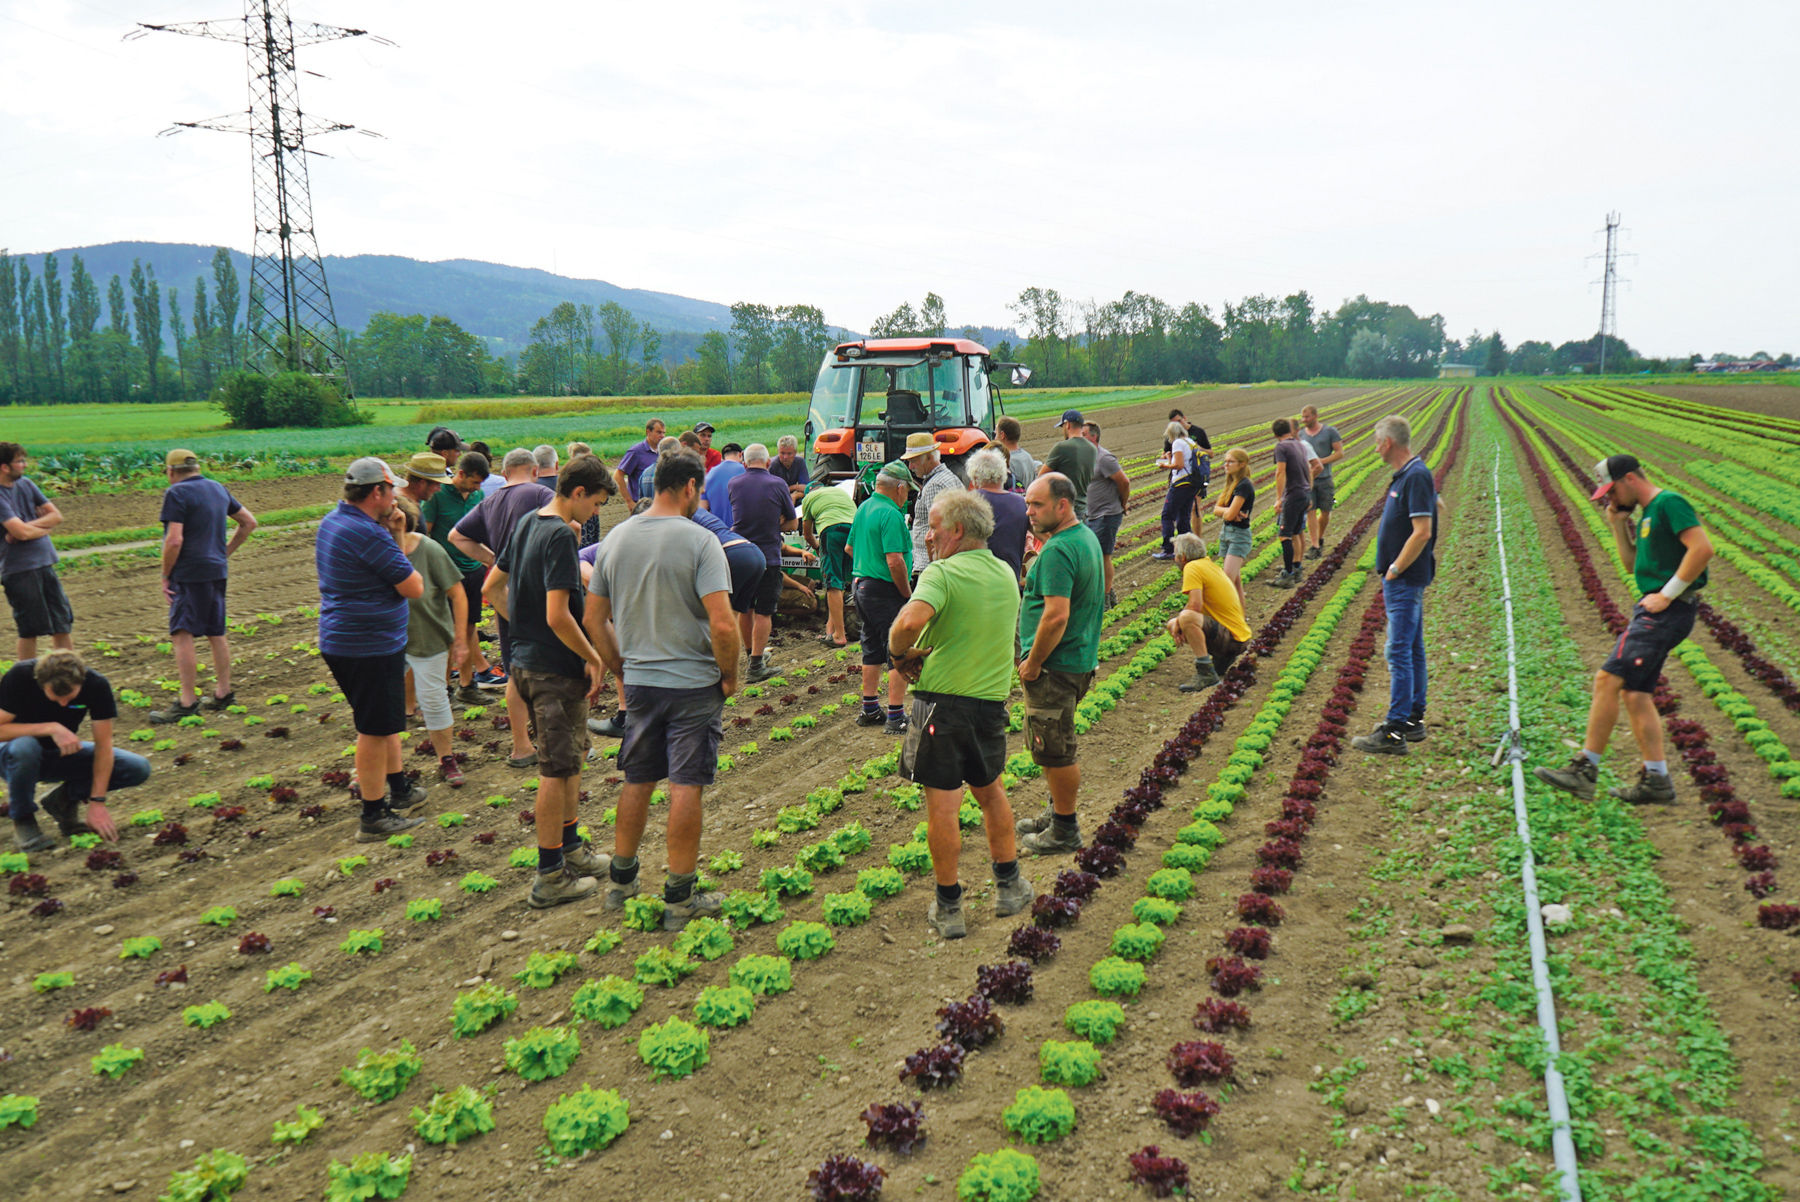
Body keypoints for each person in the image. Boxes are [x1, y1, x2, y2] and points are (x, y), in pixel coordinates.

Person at [585, 452, 740, 930]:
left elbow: (593, 619)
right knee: (685, 784)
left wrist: (619, 666)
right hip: (693, 685)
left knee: (637, 779)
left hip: (643, 684)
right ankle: (679, 896)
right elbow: (723, 624)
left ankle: (622, 882)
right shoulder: (701, 541)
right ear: (690, 486)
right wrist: (730, 676)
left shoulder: (615, 539)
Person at [889, 490, 1032, 939]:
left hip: (941, 707)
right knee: (991, 793)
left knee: (944, 807)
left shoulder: (942, 573)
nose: (928, 537)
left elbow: (909, 622)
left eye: (933, 528)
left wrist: (898, 655)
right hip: (990, 704)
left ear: (956, 531)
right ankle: (1009, 886)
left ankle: (949, 908)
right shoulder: (1006, 573)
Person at [1534, 455, 1716, 803]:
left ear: (1630, 479)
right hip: (1656, 608)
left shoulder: (1668, 503)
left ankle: (1584, 770)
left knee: (1607, 677)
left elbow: (1703, 548)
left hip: (1666, 611)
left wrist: (1666, 595)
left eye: (1612, 491)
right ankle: (1657, 782)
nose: (1610, 499)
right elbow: (1632, 566)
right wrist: (1617, 524)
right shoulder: (1646, 514)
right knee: (1635, 693)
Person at [485, 455, 615, 907]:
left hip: (525, 663)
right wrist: (593, 656)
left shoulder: (526, 523)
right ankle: (549, 875)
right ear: (577, 493)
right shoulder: (559, 534)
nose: (595, 513)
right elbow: (559, 614)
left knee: (572, 761)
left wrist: (522, 632)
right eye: (596, 504)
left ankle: (572, 848)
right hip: (553, 673)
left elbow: (492, 587)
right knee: (556, 771)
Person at [316, 458, 427, 840]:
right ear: (376, 492)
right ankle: (373, 814)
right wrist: (391, 536)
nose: (396, 495)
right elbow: (412, 586)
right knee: (374, 729)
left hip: (352, 639)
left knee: (385, 720)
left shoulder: (335, 521)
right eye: (391, 489)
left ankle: (398, 788)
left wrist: (395, 531)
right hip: (365, 645)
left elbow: (393, 568)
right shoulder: (364, 533)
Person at [1013, 474, 1106, 856]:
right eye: (1028, 504)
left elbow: (1055, 616)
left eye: (1037, 505)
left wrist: (1033, 662)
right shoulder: (1084, 538)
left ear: (1062, 505)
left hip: (1055, 666)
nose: (1029, 512)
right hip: (1077, 658)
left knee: (1055, 748)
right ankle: (1057, 813)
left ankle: (1065, 829)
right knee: (1053, 741)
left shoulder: (1057, 552)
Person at [450, 449, 557, 765]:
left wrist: (492, 560)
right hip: (540, 592)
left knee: (515, 670)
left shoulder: (490, 502)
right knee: (551, 668)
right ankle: (552, 739)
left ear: (506, 473)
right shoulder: (541, 493)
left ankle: (521, 746)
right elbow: (569, 530)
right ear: (534, 470)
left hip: (503, 593)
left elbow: (456, 536)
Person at [148, 449, 257, 723]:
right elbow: (248, 522)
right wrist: (224, 551)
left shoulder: (176, 494)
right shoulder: (217, 488)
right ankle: (223, 693)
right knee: (215, 631)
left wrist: (165, 575)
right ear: (196, 468)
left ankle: (187, 701)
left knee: (182, 633)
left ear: (170, 472)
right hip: (216, 570)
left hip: (189, 572)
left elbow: (174, 540)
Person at [1, 651, 149, 851]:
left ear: (82, 681)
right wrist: (51, 727)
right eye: (56, 698)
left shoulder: (96, 685)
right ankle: (23, 819)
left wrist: (97, 802)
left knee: (136, 767)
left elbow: (104, 746)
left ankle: (63, 800)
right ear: (40, 682)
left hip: (58, 754)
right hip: (12, 755)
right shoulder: (21, 676)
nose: (63, 704)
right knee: (25, 746)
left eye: (70, 698)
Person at [1352, 416, 1439, 756]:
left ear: (1387, 443)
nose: (1375, 446)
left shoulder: (1415, 475)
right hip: (1405, 579)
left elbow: (1422, 531)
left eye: (1377, 441)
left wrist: (1394, 568)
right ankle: (1414, 720)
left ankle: (1394, 730)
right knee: (1412, 648)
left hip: (1404, 579)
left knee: (1398, 650)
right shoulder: (1412, 474)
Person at [390, 497, 468, 788]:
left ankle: (446, 759)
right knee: (381, 705)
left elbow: (457, 594)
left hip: (428, 636)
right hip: (387, 640)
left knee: (434, 700)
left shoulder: (429, 550)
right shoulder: (374, 550)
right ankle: (374, 770)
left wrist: (460, 640)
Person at [422, 450, 496, 699]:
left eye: (480, 483)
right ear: (461, 474)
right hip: (445, 575)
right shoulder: (438, 497)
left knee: (469, 628)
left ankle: (467, 687)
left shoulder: (478, 495)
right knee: (449, 634)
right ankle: (443, 691)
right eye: (474, 481)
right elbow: (425, 535)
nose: (477, 487)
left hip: (473, 571)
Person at [849, 463, 915, 734]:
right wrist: (906, 594)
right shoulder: (891, 513)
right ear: (899, 488)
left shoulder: (864, 508)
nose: (907, 495)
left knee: (871, 647)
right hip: (884, 590)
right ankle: (896, 716)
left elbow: (849, 546)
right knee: (897, 650)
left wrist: (865, 568)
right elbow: (895, 561)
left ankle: (870, 708)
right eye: (907, 490)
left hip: (860, 586)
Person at [728, 443, 798, 682]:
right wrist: (773, 524)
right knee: (764, 611)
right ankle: (757, 665)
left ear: (744, 463)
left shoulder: (734, 484)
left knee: (745, 607)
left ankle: (750, 656)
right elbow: (793, 523)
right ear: (768, 463)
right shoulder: (778, 484)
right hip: (768, 554)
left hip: (742, 554)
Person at [0, 442, 71, 660]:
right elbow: (20, 533)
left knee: (62, 623)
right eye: (20, 461)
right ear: (4, 467)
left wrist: (29, 527)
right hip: (19, 569)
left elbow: (56, 516)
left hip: (44, 562)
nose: (25, 465)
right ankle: (26, 679)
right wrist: (42, 526)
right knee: (30, 628)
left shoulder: (27, 485)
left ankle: (68, 672)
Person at [1167, 532, 1251, 692]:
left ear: (1183, 557)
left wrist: (1179, 623)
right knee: (1178, 620)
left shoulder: (1192, 567)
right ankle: (1221, 659)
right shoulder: (1209, 565)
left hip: (1231, 639)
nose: (1174, 559)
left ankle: (1205, 672)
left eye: (1176, 555)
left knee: (1186, 618)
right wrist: (1177, 623)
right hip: (1238, 638)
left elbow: (1195, 606)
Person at [800, 480, 857, 647]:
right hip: (854, 530)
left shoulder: (809, 499)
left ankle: (839, 635)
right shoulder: (840, 493)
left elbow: (808, 534)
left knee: (833, 584)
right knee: (843, 581)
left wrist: (818, 549)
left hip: (831, 530)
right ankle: (830, 631)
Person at [1082, 422, 1130, 608]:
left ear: (1093, 437)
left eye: (1084, 434)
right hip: (1091, 514)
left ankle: (1105, 598)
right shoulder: (1086, 457)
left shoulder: (1104, 458)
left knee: (1103, 556)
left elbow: (1124, 482)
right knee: (1094, 556)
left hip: (1107, 514)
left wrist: (1123, 504)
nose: (1079, 437)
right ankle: (1109, 593)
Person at [1268, 418, 1319, 589]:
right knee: (1297, 533)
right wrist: (1308, 491)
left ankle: (1287, 574)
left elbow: (1280, 472)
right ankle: (1297, 568)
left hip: (1293, 495)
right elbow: (1309, 469)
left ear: (1274, 434)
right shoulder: (1300, 444)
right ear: (1290, 430)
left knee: (1285, 535)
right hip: (1304, 493)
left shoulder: (1281, 447)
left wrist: (1279, 498)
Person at [901, 433, 960, 581]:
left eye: (913, 461)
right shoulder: (945, 478)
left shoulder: (936, 485)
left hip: (930, 565)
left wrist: (935, 565)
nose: (910, 467)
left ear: (929, 457)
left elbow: (941, 531)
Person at [968, 449, 1029, 584]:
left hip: (976, 580)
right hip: (1010, 579)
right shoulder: (1020, 503)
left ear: (975, 476)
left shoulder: (968, 502)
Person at [1210, 447, 1255, 612]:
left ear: (1242, 464)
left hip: (1239, 536)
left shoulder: (1244, 485)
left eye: (1230, 461)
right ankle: (1240, 621)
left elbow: (1228, 515)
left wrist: (1227, 513)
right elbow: (1217, 510)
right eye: (1225, 461)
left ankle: (1228, 619)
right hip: (1227, 533)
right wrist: (1227, 512)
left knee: (1227, 580)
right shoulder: (1231, 483)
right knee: (1235, 583)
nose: (1226, 464)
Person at [1298, 405, 1346, 559]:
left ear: (1315, 416)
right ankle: (1315, 545)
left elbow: (1339, 453)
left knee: (1325, 512)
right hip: (1308, 480)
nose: (1304, 420)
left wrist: (1320, 462)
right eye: (1303, 417)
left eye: (1307, 417)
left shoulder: (1330, 432)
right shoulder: (1300, 435)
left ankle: (1320, 537)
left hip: (1325, 478)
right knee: (1310, 511)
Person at [1152, 420, 1200, 561]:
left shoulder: (1178, 443)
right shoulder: (1190, 442)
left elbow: (1178, 465)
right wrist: (1168, 458)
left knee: (1167, 515)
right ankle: (1190, 549)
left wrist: (1164, 466)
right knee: (1183, 517)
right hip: (1191, 483)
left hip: (1180, 484)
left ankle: (1168, 549)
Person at [1040, 410, 1096, 519]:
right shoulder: (1092, 449)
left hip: (1066, 509)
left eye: (1063, 426)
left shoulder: (1062, 447)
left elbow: (1041, 477)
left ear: (1068, 425)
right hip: (1084, 507)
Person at [613, 418, 666, 503]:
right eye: (659, 432)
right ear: (648, 432)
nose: (662, 436)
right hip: (641, 505)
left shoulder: (663, 452)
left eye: (664, 433)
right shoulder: (636, 452)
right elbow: (618, 475)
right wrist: (629, 501)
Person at [701, 443, 747, 525]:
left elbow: (702, 510)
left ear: (722, 458)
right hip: (742, 531)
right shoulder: (746, 472)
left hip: (718, 531)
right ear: (741, 455)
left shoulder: (710, 475)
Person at [996, 416, 1037, 492]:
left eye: (996, 434)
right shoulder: (1027, 457)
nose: (995, 438)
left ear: (1002, 435)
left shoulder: (1006, 462)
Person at [771, 435, 810, 502]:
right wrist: (795, 487)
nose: (785, 457)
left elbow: (806, 488)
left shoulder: (800, 462)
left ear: (795, 452)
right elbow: (774, 493)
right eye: (782, 453)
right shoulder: (773, 466)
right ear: (778, 451)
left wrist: (795, 495)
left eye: (789, 454)